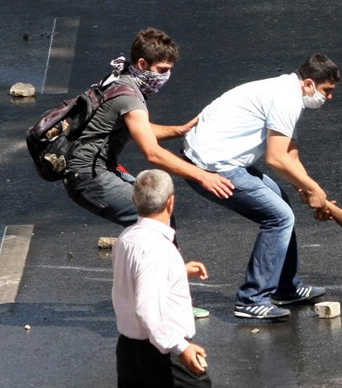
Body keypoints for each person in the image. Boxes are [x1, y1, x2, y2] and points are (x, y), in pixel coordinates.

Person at [63, 27, 232, 317]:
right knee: (155, 217)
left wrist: (178, 131)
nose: (166, 76)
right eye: (163, 69)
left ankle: (159, 293)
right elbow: (151, 152)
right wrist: (202, 175)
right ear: (143, 65)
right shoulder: (130, 94)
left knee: (159, 216)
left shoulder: (120, 80)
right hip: (89, 177)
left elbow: (138, 128)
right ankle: (166, 302)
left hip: (97, 170)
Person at [182, 54, 339, 319]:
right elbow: (276, 158)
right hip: (211, 167)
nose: (329, 98)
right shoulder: (286, 99)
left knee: (281, 204)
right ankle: (251, 299)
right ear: (309, 84)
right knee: (279, 217)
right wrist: (314, 190)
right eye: (327, 91)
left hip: (221, 159)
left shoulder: (287, 91)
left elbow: (290, 154)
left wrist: (308, 188)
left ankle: (284, 288)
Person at [112, 169, 212, 387]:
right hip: (161, 354)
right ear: (171, 203)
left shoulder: (126, 239)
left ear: (134, 200)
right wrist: (181, 347)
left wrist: (178, 271)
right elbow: (147, 310)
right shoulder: (158, 249)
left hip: (129, 352)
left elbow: (135, 279)